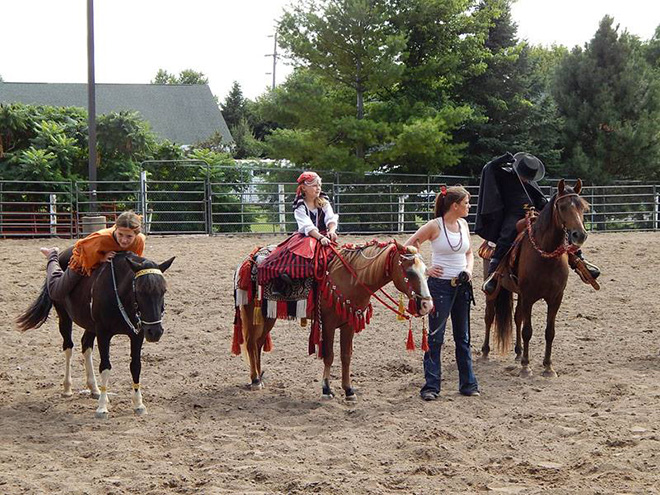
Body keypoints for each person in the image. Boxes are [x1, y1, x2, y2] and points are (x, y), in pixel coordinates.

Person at [475, 152, 600, 295]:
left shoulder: (530, 182)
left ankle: (580, 260)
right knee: (506, 235)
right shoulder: (505, 176)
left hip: (535, 213)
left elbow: (538, 198)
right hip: (513, 215)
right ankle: (494, 273)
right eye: (525, 176)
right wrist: (501, 159)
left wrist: (545, 206)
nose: (527, 180)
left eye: (530, 177)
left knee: (558, 231)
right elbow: (488, 168)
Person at [404, 185, 480, 401]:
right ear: (454, 205)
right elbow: (408, 247)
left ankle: (468, 384)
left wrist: (468, 270)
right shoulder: (434, 226)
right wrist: (425, 267)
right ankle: (431, 386)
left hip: (462, 286)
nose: (469, 206)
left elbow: (469, 253)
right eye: (466, 203)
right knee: (436, 337)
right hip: (439, 287)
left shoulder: (463, 225)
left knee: (463, 337)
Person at [258, 171, 338, 294]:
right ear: (304, 188)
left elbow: (331, 219)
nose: (318, 188)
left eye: (319, 186)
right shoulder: (300, 205)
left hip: (323, 236)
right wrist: (320, 237)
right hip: (307, 236)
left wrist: (332, 231)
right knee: (295, 255)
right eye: (315, 185)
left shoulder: (324, 202)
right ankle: (285, 281)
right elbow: (307, 226)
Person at [40, 211, 146, 302]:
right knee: (56, 293)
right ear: (116, 229)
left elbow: (134, 260)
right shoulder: (101, 238)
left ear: (136, 234)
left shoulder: (140, 240)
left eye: (129, 236)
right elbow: (82, 249)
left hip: (111, 263)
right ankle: (52, 255)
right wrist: (101, 258)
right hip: (84, 257)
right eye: (120, 234)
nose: (124, 240)